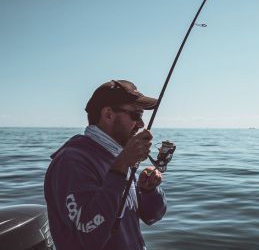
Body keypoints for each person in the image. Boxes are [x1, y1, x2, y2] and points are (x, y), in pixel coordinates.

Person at [44, 80, 167, 249]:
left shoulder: (118, 157)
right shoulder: (71, 161)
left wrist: (149, 190)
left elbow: (151, 217)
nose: (141, 124)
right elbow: (88, 236)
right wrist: (121, 166)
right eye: (136, 115)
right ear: (108, 114)